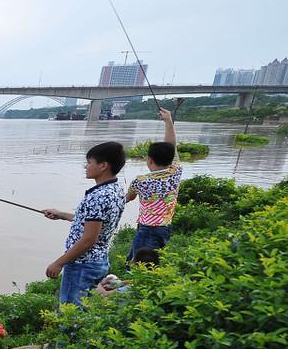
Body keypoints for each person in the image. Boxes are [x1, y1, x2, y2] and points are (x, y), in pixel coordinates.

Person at [41, 141, 127, 307]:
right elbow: (94, 222)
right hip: (98, 260)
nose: (85, 167)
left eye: (89, 162)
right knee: (86, 307)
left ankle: (71, 334)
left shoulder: (98, 197)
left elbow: (89, 239)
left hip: (82, 264)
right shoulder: (116, 190)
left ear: (103, 166)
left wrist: (59, 262)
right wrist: (61, 215)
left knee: (72, 312)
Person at [125, 107, 182, 261]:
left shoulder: (140, 181)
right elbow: (172, 146)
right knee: (152, 260)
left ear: (149, 160)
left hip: (147, 230)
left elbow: (128, 198)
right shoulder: (175, 172)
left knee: (140, 264)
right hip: (165, 228)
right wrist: (168, 121)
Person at [95, 247, 160, 296]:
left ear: (138, 266)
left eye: (133, 260)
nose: (130, 262)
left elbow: (104, 295)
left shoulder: (132, 288)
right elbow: (133, 282)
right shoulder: (152, 280)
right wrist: (120, 283)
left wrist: (99, 283)